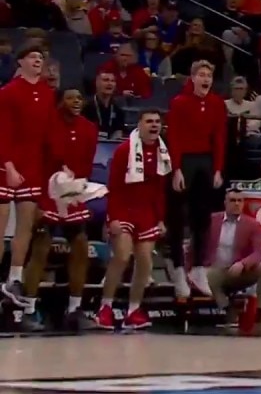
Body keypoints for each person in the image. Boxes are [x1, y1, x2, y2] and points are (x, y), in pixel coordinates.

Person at [20, 88, 98, 331]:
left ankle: (74, 309)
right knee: (41, 248)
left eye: (79, 98)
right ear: (59, 102)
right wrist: (38, 200)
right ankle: (28, 310)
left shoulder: (89, 129)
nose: (76, 102)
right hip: (47, 193)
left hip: (73, 193)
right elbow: (36, 162)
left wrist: (78, 192)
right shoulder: (46, 124)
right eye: (71, 97)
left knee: (81, 245)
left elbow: (86, 166)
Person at [96, 110, 170, 330]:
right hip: (124, 208)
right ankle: (105, 308)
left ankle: (133, 310)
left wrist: (160, 219)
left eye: (157, 122)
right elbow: (114, 186)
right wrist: (113, 217)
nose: (154, 125)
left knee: (145, 261)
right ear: (140, 124)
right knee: (122, 256)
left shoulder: (163, 152)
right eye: (149, 121)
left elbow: (160, 190)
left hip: (147, 211)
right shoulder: (124, 150)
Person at [166, 60, 229, 299]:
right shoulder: (179, 103)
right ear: (192, 78)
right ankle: (178, 267)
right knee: (178, 216)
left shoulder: (216, 104)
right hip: (185, 162)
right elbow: (174, 136)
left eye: (209, 75)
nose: (205, 79)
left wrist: (218, 169)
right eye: (201, 74)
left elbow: (220, 137)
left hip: (206, 162)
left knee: (202, 217)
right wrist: (176, 169)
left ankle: (199, 268)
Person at [0, 43, 57, 308]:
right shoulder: (8, 92)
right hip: (7, 163)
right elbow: (4, 131)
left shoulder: (47, 94)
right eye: (32, 56)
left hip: (33, 166)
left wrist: (60, 165)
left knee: (25, 226)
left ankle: (14, 278)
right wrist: (9, 165)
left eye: (40, 57)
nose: (37, 60)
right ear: (20, 62)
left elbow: (48, 135)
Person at [202, 188, 261, 328]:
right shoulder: (212, 220)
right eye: (232, 200)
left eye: (240, 201)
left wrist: (242, 263)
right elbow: (196, 245)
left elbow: (258, 253)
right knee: (210, 274)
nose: (236, 204)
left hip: (239, 272)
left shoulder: (252, 224)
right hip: (215, 270)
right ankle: (228, 310)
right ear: (225, 203)